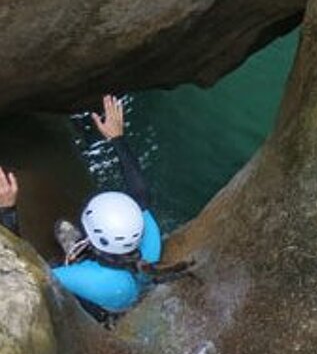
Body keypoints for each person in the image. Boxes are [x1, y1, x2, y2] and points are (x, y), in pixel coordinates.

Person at [1, 95, 187, 326]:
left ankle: (76, 258)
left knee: (59, 288)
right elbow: (141, 195)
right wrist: (117, 138)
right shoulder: (150, 240)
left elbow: (26, 272)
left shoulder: (87, 279)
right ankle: (80, 251)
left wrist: (7, 210)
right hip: (122, 285)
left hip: (101, 304)